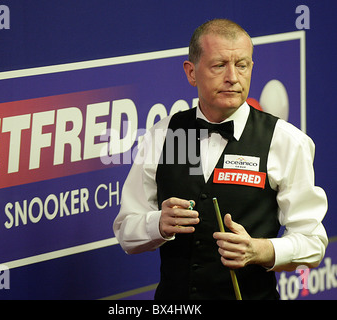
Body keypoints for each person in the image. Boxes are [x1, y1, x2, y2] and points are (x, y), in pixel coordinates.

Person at [113, 19, 328, 300]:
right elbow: (126, 232)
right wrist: (158, 223)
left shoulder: (286, 141)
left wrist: (260, 250)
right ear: (191, 72)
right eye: (219, 65)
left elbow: (313, 243)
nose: (233, 77)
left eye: (242, 65)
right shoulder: (165, 134)